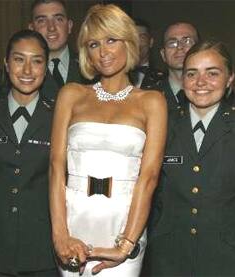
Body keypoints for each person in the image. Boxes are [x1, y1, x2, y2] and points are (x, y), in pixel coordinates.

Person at [49, 4, 167, 276]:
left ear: (128, 41)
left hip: (125, 224)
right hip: (73, 223)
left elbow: (148, 178)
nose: (102, 52)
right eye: (93, 44)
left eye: (111, 40)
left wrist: (126, 245)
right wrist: (60, 237)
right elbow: (56, 168)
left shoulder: (152, 101)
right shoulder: (71, 94)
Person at [143, 40, 235, 276]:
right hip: (168, 258)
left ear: (229, 79)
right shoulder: (163, 125)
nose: (201, 82)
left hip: (230, 259)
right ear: (182, 79)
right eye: (192, 74)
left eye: (212, 73)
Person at [0, 29, 57, 276]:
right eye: (19, 59)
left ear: (46, 66)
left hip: (45, 248)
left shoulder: (59, 117)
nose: (27, 70)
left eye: (36, 61)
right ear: (6, 64)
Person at [29, 0, 86, 101]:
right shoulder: (24, 73)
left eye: (58, 19)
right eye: (42, 21)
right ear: (32, 29)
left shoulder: (90, 66)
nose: (51, 28)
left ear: (69, 26)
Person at [159, 22, 199, 111]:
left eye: (187, 41)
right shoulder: (148, 95)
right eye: (172, 43)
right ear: (163, 55)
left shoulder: (214, 92)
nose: (180, 47)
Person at [130, 18, 164, 90]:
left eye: (142, 37)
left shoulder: (163, 78)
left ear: (150, 42)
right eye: (133, 38)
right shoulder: (117, 77)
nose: (137, 43)